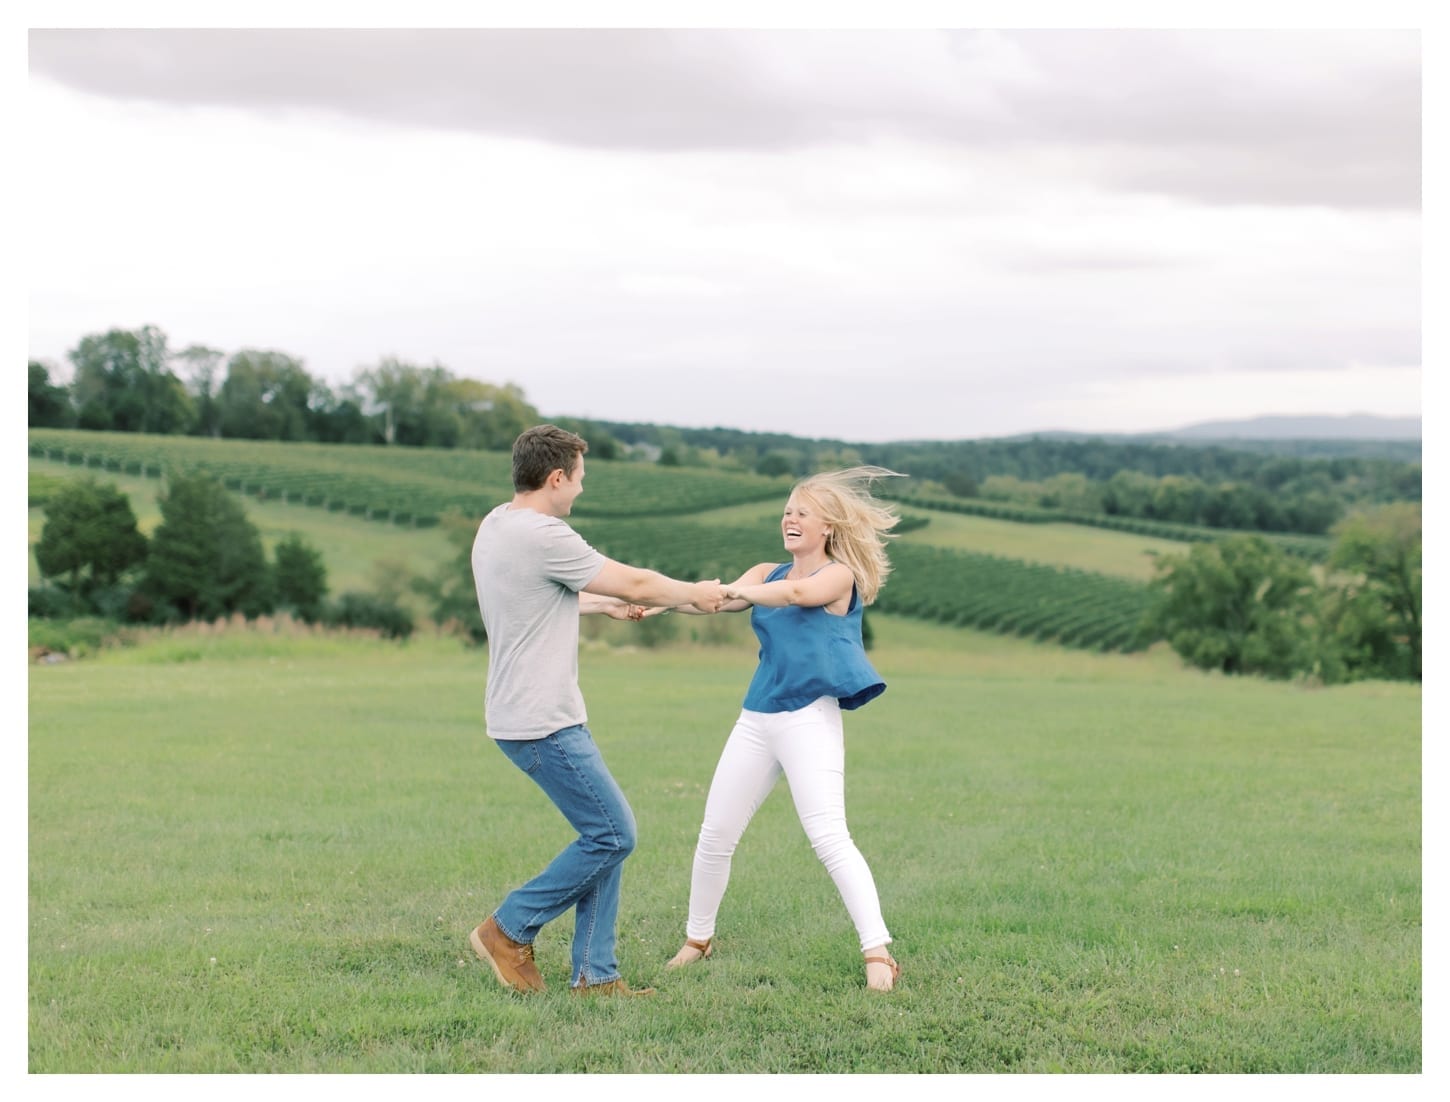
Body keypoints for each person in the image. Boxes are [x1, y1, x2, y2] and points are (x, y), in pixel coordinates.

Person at [469, 424, 725, 997]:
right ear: (556, 477)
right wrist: (692, 593)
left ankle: (595, 976)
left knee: (599, 830)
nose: (581, 491)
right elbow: (635, 578)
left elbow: (533, 598)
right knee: (614, 834)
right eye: (579, 479)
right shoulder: (545, 534)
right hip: (542, 720)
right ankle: (507, 929)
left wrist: (604, 604)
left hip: (522, 713)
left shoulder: (498, 524)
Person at [664, 466, 904, 992]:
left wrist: (735, 591)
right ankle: (697, 940)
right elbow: (717, 601)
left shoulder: (838, 576)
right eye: (787, 511)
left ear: (828, 528)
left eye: (802, 513)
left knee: (828, 836)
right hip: (756, 718)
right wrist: (651, 601)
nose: (790, 519)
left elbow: (797, 597)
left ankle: (878, 953)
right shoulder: (764, 572)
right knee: (715, 834)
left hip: (808, 719)